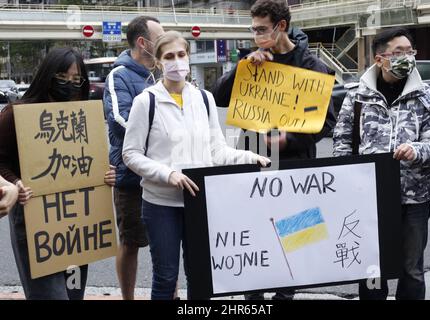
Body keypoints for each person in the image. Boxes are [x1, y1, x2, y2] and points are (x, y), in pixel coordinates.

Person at [122, 31, 270, 300]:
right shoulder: (146, 101)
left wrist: (250, 158)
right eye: (169, 56)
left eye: (181, 55)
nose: (176, 61)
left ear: (188, 57)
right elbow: (130, 154)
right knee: (166, 277)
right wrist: (168, 174)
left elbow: (216, 150)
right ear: (158, 62)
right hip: (160, 204)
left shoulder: (204, 99)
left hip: (199, 200)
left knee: (200, 275)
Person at [212, 0, 336, 300]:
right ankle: (252, 297)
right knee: (252, 230)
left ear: (281, 27)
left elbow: (326, 123)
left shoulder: (313, 67)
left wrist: (289, 141)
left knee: (292, 237)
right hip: (252, 157)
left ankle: (285, 294)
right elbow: (218, 96)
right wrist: (242, 67)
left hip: (295, 163)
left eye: (262, 30)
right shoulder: (252, 61)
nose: (257, 36)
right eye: (253, 30)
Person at [333, 27, 430, 300]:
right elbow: (342, 141)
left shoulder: (427, 97)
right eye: (398, 53)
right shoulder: (357, 96)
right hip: (369, 200)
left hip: (414, 199)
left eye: (410, 52)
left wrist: (415, 150)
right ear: (380, 58)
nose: (407, 57)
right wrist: (349, 179)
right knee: (372, 270)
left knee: (412, 271)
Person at [0, 47, 115, 300]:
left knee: (74, 294)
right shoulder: (14, 115)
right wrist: (16, 183)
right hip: (35, 219)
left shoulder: (83, 117)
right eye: (62, 78)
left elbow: (91, 161)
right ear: (47, 76)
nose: (69, 85)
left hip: (77, 225)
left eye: (76, 80)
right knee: (50, 295)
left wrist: (104, 175)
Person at [103, 15, 164, 300]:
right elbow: (118, 121)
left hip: (164, 173)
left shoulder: (162, 74)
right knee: (130, 242)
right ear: (143, 42)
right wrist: (164, 135)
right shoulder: (119, 75)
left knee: (166, 242)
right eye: (159, 38)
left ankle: (169, 295)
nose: (164, 44)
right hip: (131, 178)